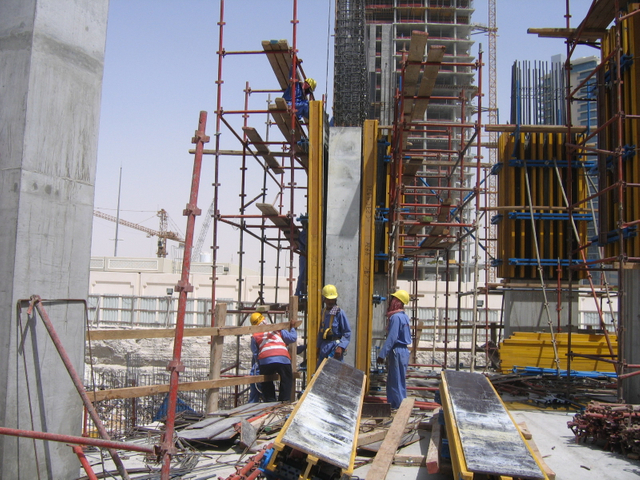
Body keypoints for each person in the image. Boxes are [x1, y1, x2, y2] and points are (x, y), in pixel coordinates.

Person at [250, 312, 297, 402]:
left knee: (266, 381)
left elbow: (255, 353)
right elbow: (292, 338)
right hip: (283, 358)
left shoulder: (255, 335)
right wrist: (292, 328)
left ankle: (270, 401)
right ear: (264, 319)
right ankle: (284, 401)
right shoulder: (277, 329)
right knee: (286, 378)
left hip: (265, 359)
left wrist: (259, 364)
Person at [377, 289, 412, 409]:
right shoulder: (404, 317)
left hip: (397, 351)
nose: (390, 301)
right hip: (403, 352)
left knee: (395, 381)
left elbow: (392, 338)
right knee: (399, 380)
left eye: (393, 299)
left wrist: (382, 354)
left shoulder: (396, 318)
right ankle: (396, 405)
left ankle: (398, 407)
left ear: (397, 302)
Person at [317, 284, 351, 366]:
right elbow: (321, 332)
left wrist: (340, 347)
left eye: (332, 299)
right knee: (319, 373)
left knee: (335, 373)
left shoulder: (339, 313)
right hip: (324, 348)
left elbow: (347, 332)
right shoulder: (323, 312)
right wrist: (318, 347)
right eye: (328, 299)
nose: (330, 302)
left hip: (334, 349)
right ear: (324, 299)